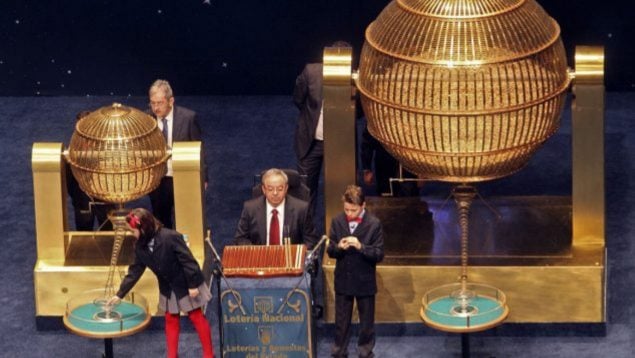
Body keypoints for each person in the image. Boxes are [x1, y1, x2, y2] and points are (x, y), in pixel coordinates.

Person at [107, 208, 214, 358]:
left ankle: (209, 355)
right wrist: (120, 294)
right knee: (171, 319)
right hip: (167, 287)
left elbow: (189, 262)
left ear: (143, 229)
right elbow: (135, 271)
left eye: (133, 231)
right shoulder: (139, 247)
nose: (133, 235)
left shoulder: (170, 237)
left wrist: (192, 285)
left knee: (196, 316)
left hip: (185, 284)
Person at [293, 41, 352, 216]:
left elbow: (357, 112)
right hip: (311, 142)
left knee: (340, 189)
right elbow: (298, 99)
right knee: (305, 191)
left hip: (339, 143)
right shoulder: (311, 72)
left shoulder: (352, 77)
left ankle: (339, 231)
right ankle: (307, 233)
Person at [327, 185, 384, 358]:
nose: (349, 214)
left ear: (363, 206)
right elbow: (330, 251)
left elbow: (379, 254)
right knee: (341, 322)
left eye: (353, 210)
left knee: (366, 322)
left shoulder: (374, 224)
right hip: (343, 279)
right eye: (346, 209)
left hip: (364, 281)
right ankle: (339, 351)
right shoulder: (337, 221)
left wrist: (361, 247)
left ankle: (365, 352)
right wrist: (339, 247)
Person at [147, 79, 207, 229]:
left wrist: (203, 177)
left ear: (171, 100)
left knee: (186, 220)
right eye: (152, 103)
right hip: (157, 180)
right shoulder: (146, 119)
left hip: (183, 176)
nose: (155, 107)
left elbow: (198, 150)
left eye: (159, 103)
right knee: (160, 220)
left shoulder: (188, 118)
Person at [233, 168, 318, 249]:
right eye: (270, 189)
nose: (275, 193)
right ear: (263, 189)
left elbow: (311, 241)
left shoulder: (301, 209)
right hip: (260, 259)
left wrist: (297, 254)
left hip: (290, 260)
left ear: (286, 188)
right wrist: (256, 253)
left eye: (280, 189)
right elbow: (240, 238)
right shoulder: (250, 208)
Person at [66, 110, 115, 230]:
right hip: (82, 202)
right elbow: (70, 182)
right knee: (83, 234)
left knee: (107, 236)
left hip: (105, 201)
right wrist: (77, 199)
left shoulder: (107, 148)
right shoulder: (72, 151)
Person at [361, 126, 419, 197]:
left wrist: (421, 173)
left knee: (410, 198)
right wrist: (367, 168)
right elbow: (367, 143)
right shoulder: (377, 119)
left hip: (408, 166)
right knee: (386, 196)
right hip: (385, 166)